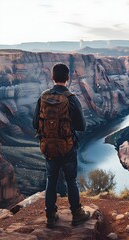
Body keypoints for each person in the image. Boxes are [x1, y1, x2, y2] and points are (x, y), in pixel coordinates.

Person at [33, 63, 90, 228]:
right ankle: (77, 214)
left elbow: (35, 123)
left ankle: (50, 216)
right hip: (67, 147)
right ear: (67, 78)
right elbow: (82, 126)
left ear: (52, 78)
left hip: (48, 147)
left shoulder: (42, 97)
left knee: (51, 180)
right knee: (71, 181)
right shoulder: (71, 99)